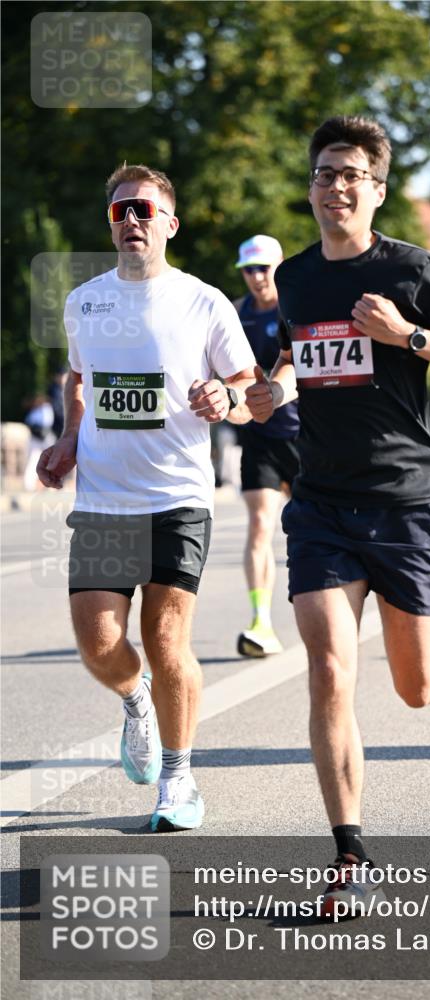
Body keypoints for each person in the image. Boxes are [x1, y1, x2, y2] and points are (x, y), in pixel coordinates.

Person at [246, 115, 430, 916]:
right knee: (328, 671)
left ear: (377, 188)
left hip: (405, 501)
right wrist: (264, 393)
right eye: (324, 172)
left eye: (352, 173)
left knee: (417, 688)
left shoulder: (411, 267)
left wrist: (409, 333)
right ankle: (349, 854)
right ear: (312, 186)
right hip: (320, 501)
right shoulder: (293, 278)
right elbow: (291, 365)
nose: (336, 186)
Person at [37, 164, 256, 832]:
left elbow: (248, 390)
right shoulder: (85, 302)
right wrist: (72, 438)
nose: (130, 220)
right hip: (104, 499)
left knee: (166, 641)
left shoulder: (204, 302)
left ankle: (178, 778)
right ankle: (135, 700)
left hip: (177, 497)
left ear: (169, 223)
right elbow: (79, 377)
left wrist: (227, 397)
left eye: (142, 209)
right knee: (100, 645)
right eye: (119, 212)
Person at [229, 235, 300, 657]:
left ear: (280, 266)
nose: (256, 277)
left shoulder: (298, 308)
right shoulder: (236, 315)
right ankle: (261, 623)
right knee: (259, 525)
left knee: (319, 526)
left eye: (264, 268)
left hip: (305, 435)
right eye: (248, 269)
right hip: (259, 437)